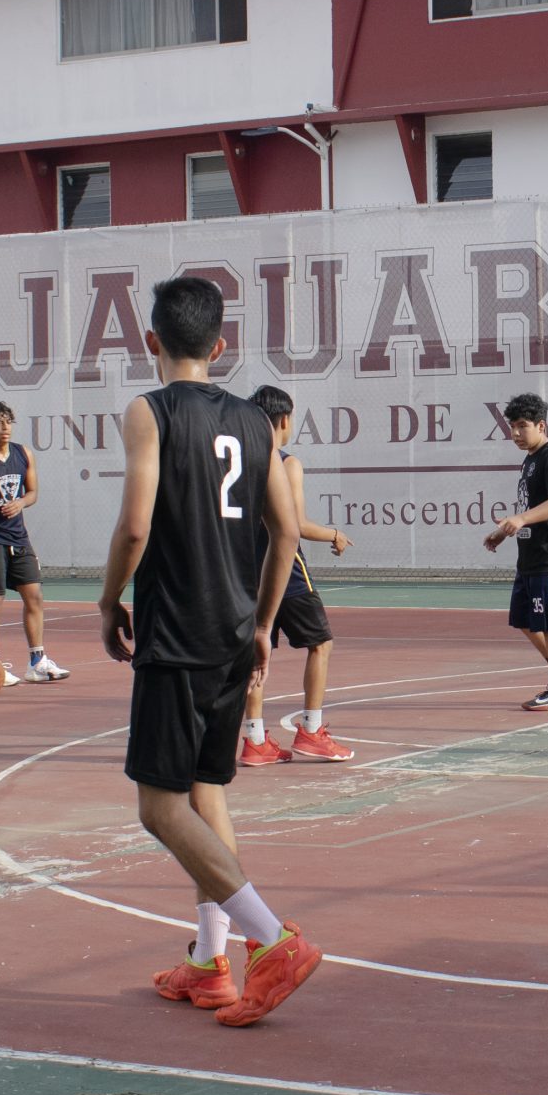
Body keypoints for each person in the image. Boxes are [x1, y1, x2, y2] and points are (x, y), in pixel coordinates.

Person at [101, 275, 323, 1028]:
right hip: (233, 632)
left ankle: (272, 939)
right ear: (221, 346)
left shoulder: (149, 411)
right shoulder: (258, 423)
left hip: (177, 631)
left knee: (159, 807)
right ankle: (209, 961)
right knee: (208, 792)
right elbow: (286, 532)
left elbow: (136, 526)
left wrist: (107, 602)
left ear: (151, 342)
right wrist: (262, 624)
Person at [237, 385, 356, 767]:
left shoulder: (234, 463)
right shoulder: (286, 464)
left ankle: (255, 739)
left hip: (243, 575)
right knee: (320, 643)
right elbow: (297, 526)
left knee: (253, 658)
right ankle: (312, 731)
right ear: (284, 420)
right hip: (285, 572)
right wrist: (336, 534)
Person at [482, 393, 548, 711]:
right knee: (524, 619)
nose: (515, 434)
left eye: (522, 426)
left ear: (541, 425)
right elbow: (530, 507)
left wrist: (521, 518)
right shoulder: (530, 460)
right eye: (511, 427)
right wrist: (503, 532)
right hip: (530, 556)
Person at [0, 401, 68, 684]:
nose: (5, 426)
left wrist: (21, 502)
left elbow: (33, 492)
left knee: (34, 596)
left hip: (18, 536)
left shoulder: (23, 454)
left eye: (8, 421)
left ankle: (37, 662)